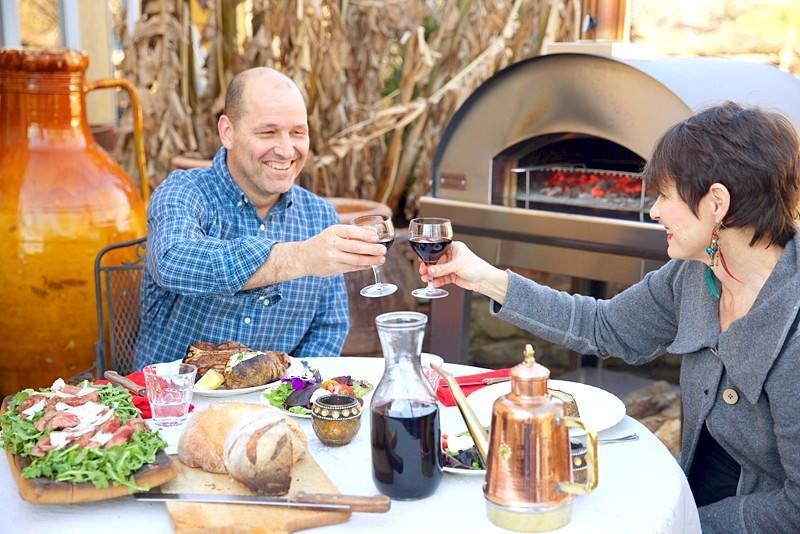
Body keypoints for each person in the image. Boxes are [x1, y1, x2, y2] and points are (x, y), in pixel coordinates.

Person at [420, 102, 800, 533]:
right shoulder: (694, 275)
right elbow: (603, 327)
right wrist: (486, 278)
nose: (654, 211)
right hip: (686, 498)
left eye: (665, 195)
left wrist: (677, 523)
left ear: (717, 203)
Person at [135, 68, 385, 368]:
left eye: (297, 132)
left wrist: (294, 390)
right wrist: (300, 257)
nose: (286, 149)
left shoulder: (319, 215)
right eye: (268, 132)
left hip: (272, 406)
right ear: (227, 132)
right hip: (173, 404)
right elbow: (174, 262)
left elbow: (328, 328)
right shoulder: (184, 192)